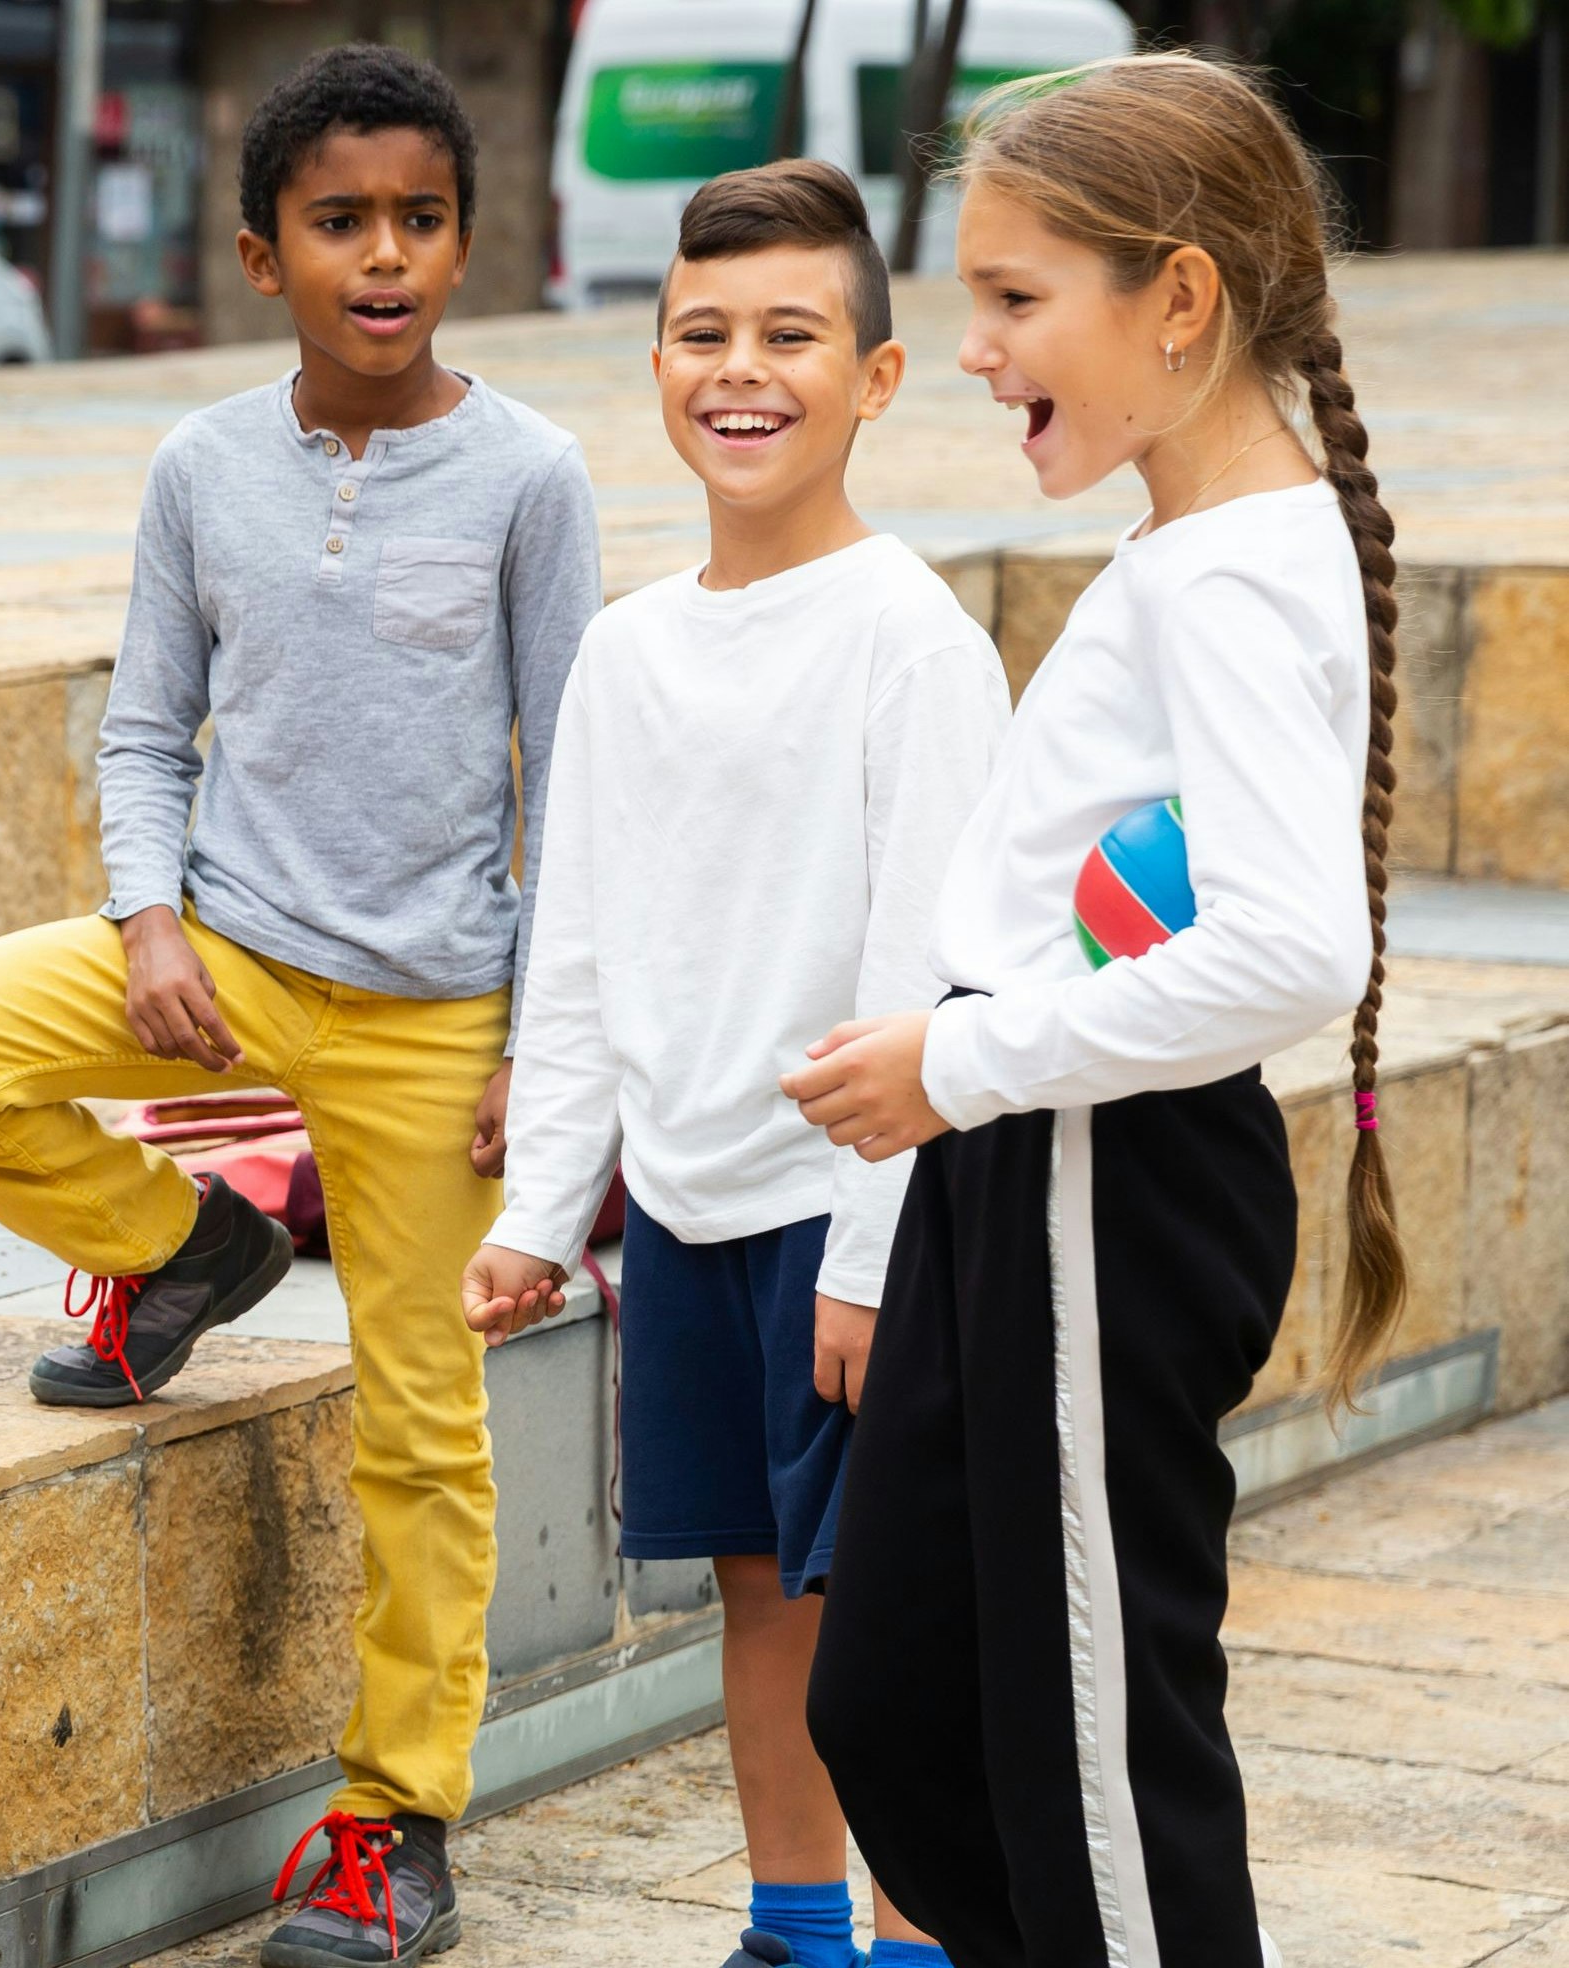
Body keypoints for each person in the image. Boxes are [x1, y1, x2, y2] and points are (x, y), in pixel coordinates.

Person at [0, 45, 601, 1968]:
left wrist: (537, 1038)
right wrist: (149, 915)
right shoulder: (200, 467)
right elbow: (144, 723)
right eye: (339, 222)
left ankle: (391, 1816)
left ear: (461, 242)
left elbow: (575, 770)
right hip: (221, 959)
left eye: (418, 220)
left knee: (424, 1426)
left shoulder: (527, 474)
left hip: (434, 1011)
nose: (383, 256)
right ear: (263, 253)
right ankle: (188, 1242)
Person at [783, 54, 1408, 1968]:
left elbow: (1291, 949)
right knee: (890, 1700)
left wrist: (953, 1059)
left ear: (1182, 299)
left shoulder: (1224, 574)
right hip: (1030, 1165)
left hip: (1093, 1175)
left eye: (1010, 296)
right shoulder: (1195, 544)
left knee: (1092, 1760)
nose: (967, 344)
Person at [462, 160, 1006, 1968]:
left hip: (854, 1215)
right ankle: (791, 1928)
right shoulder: (624, 646)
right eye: (702, 333)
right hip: (686, 1210)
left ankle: (912, 1931)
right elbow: (585, 944)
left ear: (875, 374)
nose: (740, 370)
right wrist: (544, 1208)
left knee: (888, 1613)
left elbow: (921, 974)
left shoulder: (909, 640)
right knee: (755, 1584)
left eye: (790, 333)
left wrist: (863, 1255)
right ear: (654, 361)